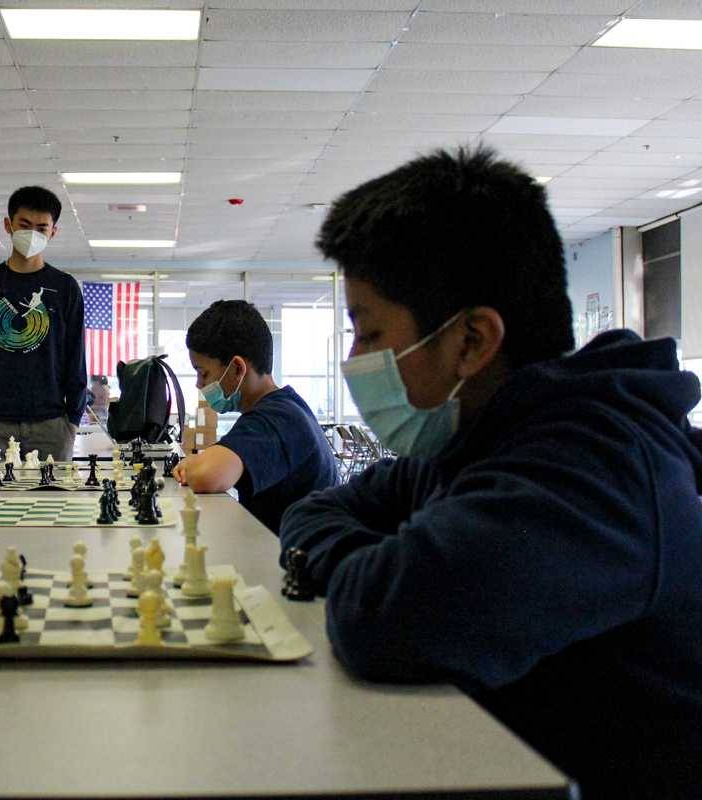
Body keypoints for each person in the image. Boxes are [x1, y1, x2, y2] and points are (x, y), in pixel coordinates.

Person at [278, 147, 702, 799]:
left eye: (367, 332)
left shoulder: (589, 469)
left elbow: (383, 620)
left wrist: (353, 564)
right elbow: (320, 509)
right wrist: (362, 557)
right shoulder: (478, 440)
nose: (353, 359)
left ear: (471, 341)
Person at [172, 300, 338, 533]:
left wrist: (194, 463)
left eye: (203, 373)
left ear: (238, 369)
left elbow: (205, 475)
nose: (199, 384)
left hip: (301, 563)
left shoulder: (276, 419)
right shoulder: (287, 405)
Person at [0, 186, 86, 463]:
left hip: (52, 425)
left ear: (53, 232)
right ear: (8, 225)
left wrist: (72, 419)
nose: (32, 234)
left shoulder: (65, 288)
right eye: (25, 225)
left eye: (41, 228)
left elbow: (76, 357)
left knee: (52, 504)